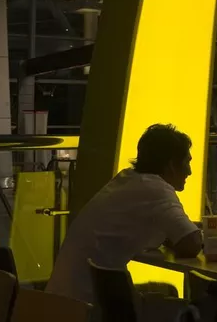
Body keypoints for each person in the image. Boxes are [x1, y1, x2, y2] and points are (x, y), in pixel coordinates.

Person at [47, 124, 203, 305]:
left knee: (168, 295)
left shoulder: (127, 179)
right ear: (171, 165)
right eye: (187, 162)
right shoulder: (156, 189)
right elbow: (192, 244)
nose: (190, 171)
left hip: (61, 301)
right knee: (188, 308)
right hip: (90, 308)